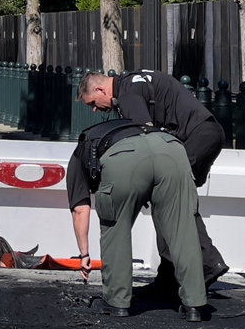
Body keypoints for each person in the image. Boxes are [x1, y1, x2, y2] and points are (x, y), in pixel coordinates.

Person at [79, 70, 229, 294]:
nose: (94, 108)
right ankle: (169, 276)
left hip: (196, 136)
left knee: (170, 200)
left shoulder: (127, 95)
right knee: (169, 200)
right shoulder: (132, 81)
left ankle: (207, 263)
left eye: (92, 102)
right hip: (205, 133)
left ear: (101, 90)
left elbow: (146, 137)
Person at [66, 119, 207, 321]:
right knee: (183, 229)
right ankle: (194, 303)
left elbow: (80, 210)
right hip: (171, 148)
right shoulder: (123, 129)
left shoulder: (80, 154)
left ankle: (117, 301)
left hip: (123, 157)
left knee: (115, 228)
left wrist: (84, 254)